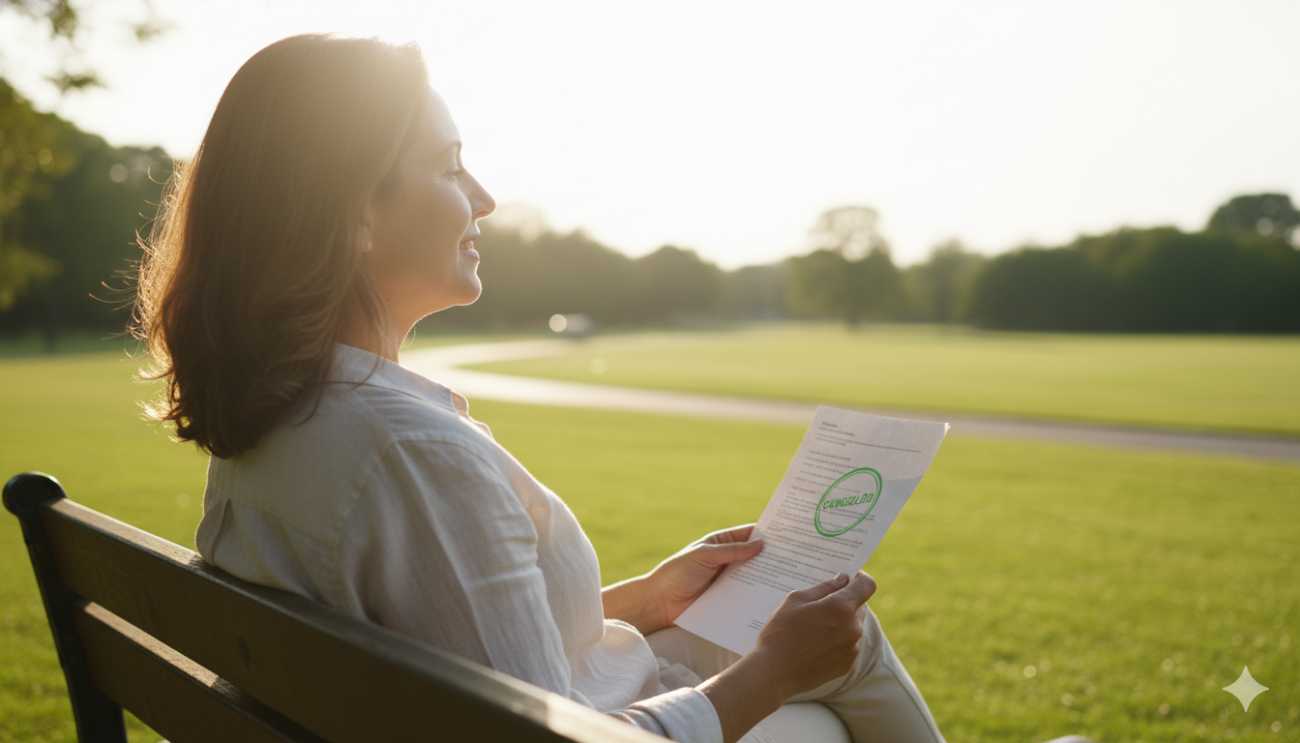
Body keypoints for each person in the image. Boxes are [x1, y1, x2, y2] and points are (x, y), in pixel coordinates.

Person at [131, 33, 946, 743]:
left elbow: (449, 641)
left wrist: (650, 599)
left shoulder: (281, 415)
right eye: (451, 168)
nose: (484, 198)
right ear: (356, 215)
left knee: (815, 643)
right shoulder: (411, 453)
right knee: (832, 680)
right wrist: (769, 674)